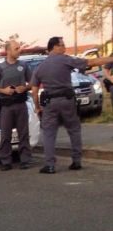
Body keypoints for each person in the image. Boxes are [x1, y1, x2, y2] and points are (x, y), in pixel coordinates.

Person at [31, 37, 113, 173]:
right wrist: (110, 59)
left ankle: (50, 165)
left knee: (49, 133)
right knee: (74, 130)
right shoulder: (65, 59)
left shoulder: (40, 67)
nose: (64, 48)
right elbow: (90, 61)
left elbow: (34, 91)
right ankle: (76, 161)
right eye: (62, 45)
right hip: (67, 101)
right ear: (55, 47)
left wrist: (37, 107)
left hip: (50, 103)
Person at [0, 40, 33, 170]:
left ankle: (25, 159)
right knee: (6, 134)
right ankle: (5, 161)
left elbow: (32, 83)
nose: (19, 50)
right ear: (8, 51)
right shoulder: (0, 68)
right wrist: (4, 91)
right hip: (6, 105)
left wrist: (24, 88)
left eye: (19, 48)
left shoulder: (23, 66)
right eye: (16, 48)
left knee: (23, 133)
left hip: (20, 103)